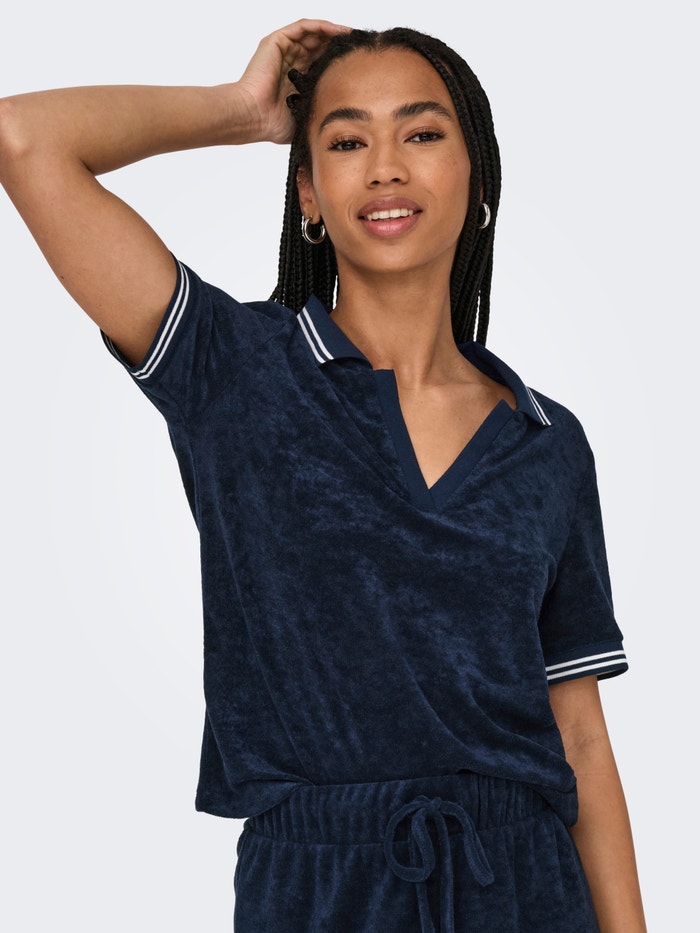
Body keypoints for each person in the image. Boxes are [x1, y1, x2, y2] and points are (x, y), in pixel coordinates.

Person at [0, 18, 646, 932]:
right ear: (308, 190)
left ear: (476, 175)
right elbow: (24, 137)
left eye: (422, 133)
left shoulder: (546, 441)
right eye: (346, 142)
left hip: (524, 885)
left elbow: (578, 732)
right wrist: (240, 111)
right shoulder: (234, 369)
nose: (385, 167)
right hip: (316, 891)